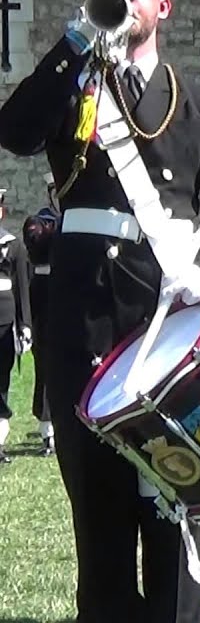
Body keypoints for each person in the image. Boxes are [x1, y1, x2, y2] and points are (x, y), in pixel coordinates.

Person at [0, 0, 200, 622]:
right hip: (84, 324)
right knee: (101, 518)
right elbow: (14, 131)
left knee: (175, 508)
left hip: (169, 322)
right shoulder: (71, 87)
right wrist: (77, 41)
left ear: (162, 6)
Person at [22, 173, 60, 456]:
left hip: (74, 293)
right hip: (47, 293)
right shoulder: (40, 222)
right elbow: (37, 244)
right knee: (47, 361)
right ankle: (48, 425)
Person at [0, 188, 32, 464]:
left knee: (1, 379)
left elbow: (23, 288)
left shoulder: (15, 246)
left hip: (4, 318)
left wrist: (25, 326)